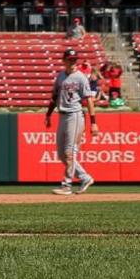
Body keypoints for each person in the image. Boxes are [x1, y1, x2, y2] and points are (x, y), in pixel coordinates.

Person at [46, 48, 98, 195]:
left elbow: (89, 100)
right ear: (64, 60)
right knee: (61, 154)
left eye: (74, 59)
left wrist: (93, 122)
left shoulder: (81, 77)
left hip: (75, 115)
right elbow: (54, 96)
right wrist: (48, 114)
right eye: (70, 59)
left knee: (69, 152)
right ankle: (85, 177)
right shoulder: (60, 76)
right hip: (62, 115)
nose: (72, 61)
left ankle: (66, 185)